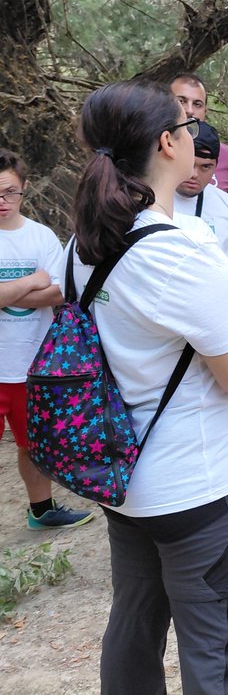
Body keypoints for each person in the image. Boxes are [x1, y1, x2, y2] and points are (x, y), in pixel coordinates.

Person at [68, 80, 228, 693]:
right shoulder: (180, 248)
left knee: (132, 631)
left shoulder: (81, 244)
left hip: (124, 483)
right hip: (200, 487)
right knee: (214, 649)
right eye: (185, 129)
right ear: (167, 143)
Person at [0, 149, 93, 531]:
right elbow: (46, 285)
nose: (1, 201)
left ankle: (42, 509)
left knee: (33, 443)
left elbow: (61, 292)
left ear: (24, 189)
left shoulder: (41, 237)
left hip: (32, 363)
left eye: (9, 192)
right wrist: (32, 281)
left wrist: (8, 292)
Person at [173, 121, 228, 301]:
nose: (194, 173)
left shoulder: (225, 203)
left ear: (215, 166)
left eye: (205, 167)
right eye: (189, 163)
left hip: (216, 303)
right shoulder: (148, 199)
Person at [171, 73, 228, 206]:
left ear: (205, 111)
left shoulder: (226, 155)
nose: (189, 110)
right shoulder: (148, 149)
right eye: (181, 101)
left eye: (197, 104)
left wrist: (220, 214)